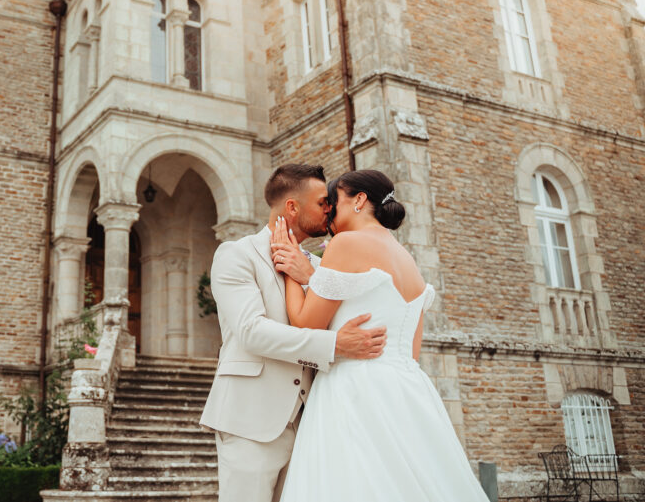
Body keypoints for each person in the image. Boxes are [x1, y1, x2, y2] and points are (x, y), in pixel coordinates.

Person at [277, 169, 490, 502]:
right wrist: (313, 277)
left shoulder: (346, 243)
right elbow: (411, 352)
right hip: (408, 392)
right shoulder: (407, 260)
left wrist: (292, 269)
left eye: (334, 200)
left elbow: (305, 325)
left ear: (359, 200)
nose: (329, 210)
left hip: (353, 390)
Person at [200, 163, 388, 502]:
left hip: (310, 425)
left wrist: (312, 278)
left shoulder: (319, 267)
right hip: (251, 420)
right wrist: (335, 345)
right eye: (322, 202)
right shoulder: (237, 255)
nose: (329, 208)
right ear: (292, 207)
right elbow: (252, 332)